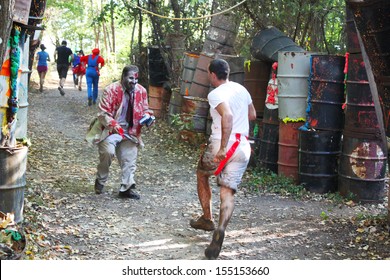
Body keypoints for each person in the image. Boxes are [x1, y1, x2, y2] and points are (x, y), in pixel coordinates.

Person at [189, 59, 256, 259]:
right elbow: (252, 114)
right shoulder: (242, 90)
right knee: (228, 191)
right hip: (243, 146)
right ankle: (220, 228)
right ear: (227, 73)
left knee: (202, 174)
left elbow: (227, 116)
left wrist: (224, 147)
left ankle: (207, 218)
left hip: (222, 144)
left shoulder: (215, 93)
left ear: (212, 74)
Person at [86, 65, 153, 199]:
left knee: (129, 158)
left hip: (130, 131)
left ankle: (126, 188)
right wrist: (114, 124)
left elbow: (145, 109)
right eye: (131, 78)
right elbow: (103, 114)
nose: (134, 82)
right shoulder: (111, 90)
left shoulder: (141, 91)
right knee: (108, 153)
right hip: (110, 130)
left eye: (136, 79)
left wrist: (148, 117)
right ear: (123, 77)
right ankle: (101, 179)